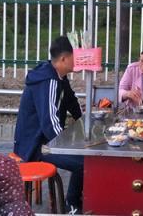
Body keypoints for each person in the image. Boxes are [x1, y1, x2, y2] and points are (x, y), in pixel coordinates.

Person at [13, 36, 84, 214]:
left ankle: (78, 199)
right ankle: (72, 205)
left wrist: (84, 122)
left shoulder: (59, 76)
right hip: (36, 146)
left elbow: (71, 101)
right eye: (77, 56)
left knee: (86, 155)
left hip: (47, 141)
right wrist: (70, 146)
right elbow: (49, 124)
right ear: (64, 59)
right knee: (84, 163)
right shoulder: (49, 81)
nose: (80, 61)